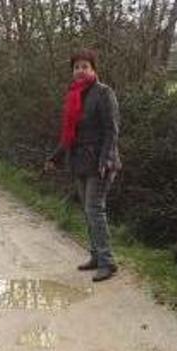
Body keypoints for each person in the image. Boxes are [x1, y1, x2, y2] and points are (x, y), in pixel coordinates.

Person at [46, 49, 122, 282]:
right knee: (88, 212)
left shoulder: (103, 93)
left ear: (93, 69)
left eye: (85, 66)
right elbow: (69, 135)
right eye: (76, 67)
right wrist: (55, 157)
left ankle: (107, 262)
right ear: (72, 71)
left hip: (100, 163)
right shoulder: (73, 95)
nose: (80, 70)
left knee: (94, 210)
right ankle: (96, 257)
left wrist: (106, 160)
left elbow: (112, 130)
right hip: (79, 161)